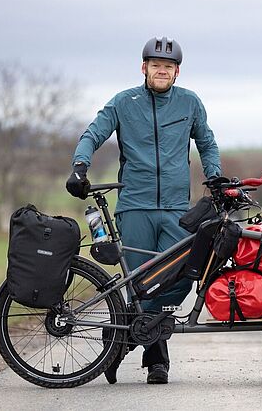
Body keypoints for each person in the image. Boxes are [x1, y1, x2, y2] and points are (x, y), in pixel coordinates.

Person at [66, 36, 221, 385]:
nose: (161, 71)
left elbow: (207, 143)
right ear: (144, 68)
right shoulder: (124, 102)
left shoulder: (189, 103)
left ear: (177, 71)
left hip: (176, 208)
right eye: (155, 65)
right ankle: (157, 362)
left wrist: (215, 178)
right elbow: (93, 134)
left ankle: (117, 343)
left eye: (167, 66)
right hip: (135, 205)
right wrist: (79, 166)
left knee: (179, 278)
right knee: (139, 286)